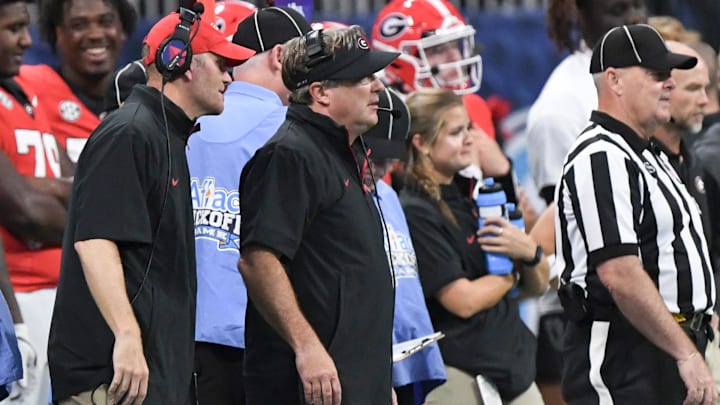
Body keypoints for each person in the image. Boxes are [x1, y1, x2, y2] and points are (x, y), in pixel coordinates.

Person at [47, 9, 254, 405]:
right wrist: (126, 336)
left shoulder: (165, 135)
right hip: (114, 378)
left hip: (146, 378)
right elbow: (94, 242)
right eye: (222, 64)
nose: (230, 77)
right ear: (181, 62)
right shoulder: (130, 132)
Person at [556, 24, 717, 405]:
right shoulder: (601, 155)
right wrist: (686, 352)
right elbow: (621, 274)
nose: (669, 85)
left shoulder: (648, 154)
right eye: (657, 75)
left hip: (667, 346)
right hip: (626, 355)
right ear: (614, 80)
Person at [238, 26, 399, 405]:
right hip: (309, 385)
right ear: (320, 92)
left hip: (351, 379)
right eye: (361, 77)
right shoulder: (289, 155)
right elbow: (258, 261)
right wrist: (307, 349)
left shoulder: (342, 151)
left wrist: (374, 378)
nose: (377, 87)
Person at [187, 6, 311, 404]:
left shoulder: (183, 117)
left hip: (174, 332)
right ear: (279, 57)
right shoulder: (293, 131)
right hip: (259, 336)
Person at [524, 2, 647, 402]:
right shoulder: (559, 107)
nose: (633, 15)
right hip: (589, 313)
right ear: (577, 13)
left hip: (648, 301)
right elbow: (563, 231)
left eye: (637, 3)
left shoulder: (648, 79)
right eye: (617, 7)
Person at [399, 88, 549, 404]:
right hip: (461, 375)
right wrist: (513, 275)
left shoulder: (472, 196)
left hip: (513, 370)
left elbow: (537, 285)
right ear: (421, 143)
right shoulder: (415, 211)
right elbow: (463, 300)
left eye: (469, 127)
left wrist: (531, 255)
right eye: (456, 132)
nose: (470, 138)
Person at [0, 1, 75, 404]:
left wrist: (35, 185)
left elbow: (83, 183)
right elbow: (24, 212)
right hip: (18, 297)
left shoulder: (30, 90)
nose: (26, 41)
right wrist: (56, 194)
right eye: (12, 29)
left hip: (57, 292)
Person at [363, 87, 447, 405]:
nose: (382, 168)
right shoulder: (342, 195)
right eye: (375, 156)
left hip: (409, 353)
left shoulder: (389, 197)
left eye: (391, 159)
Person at [16, 0, 137, 162]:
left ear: (123, 29)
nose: (95, 34)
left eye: (106, 22)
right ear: (59, 33)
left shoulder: (145, 103)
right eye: (79, 25)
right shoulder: (28, 85)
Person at [371, 0, 495, 140]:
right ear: (398, 61)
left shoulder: (473, 107)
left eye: (454, 45)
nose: (454, 57)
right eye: (438, 49)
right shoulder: (377, 119)